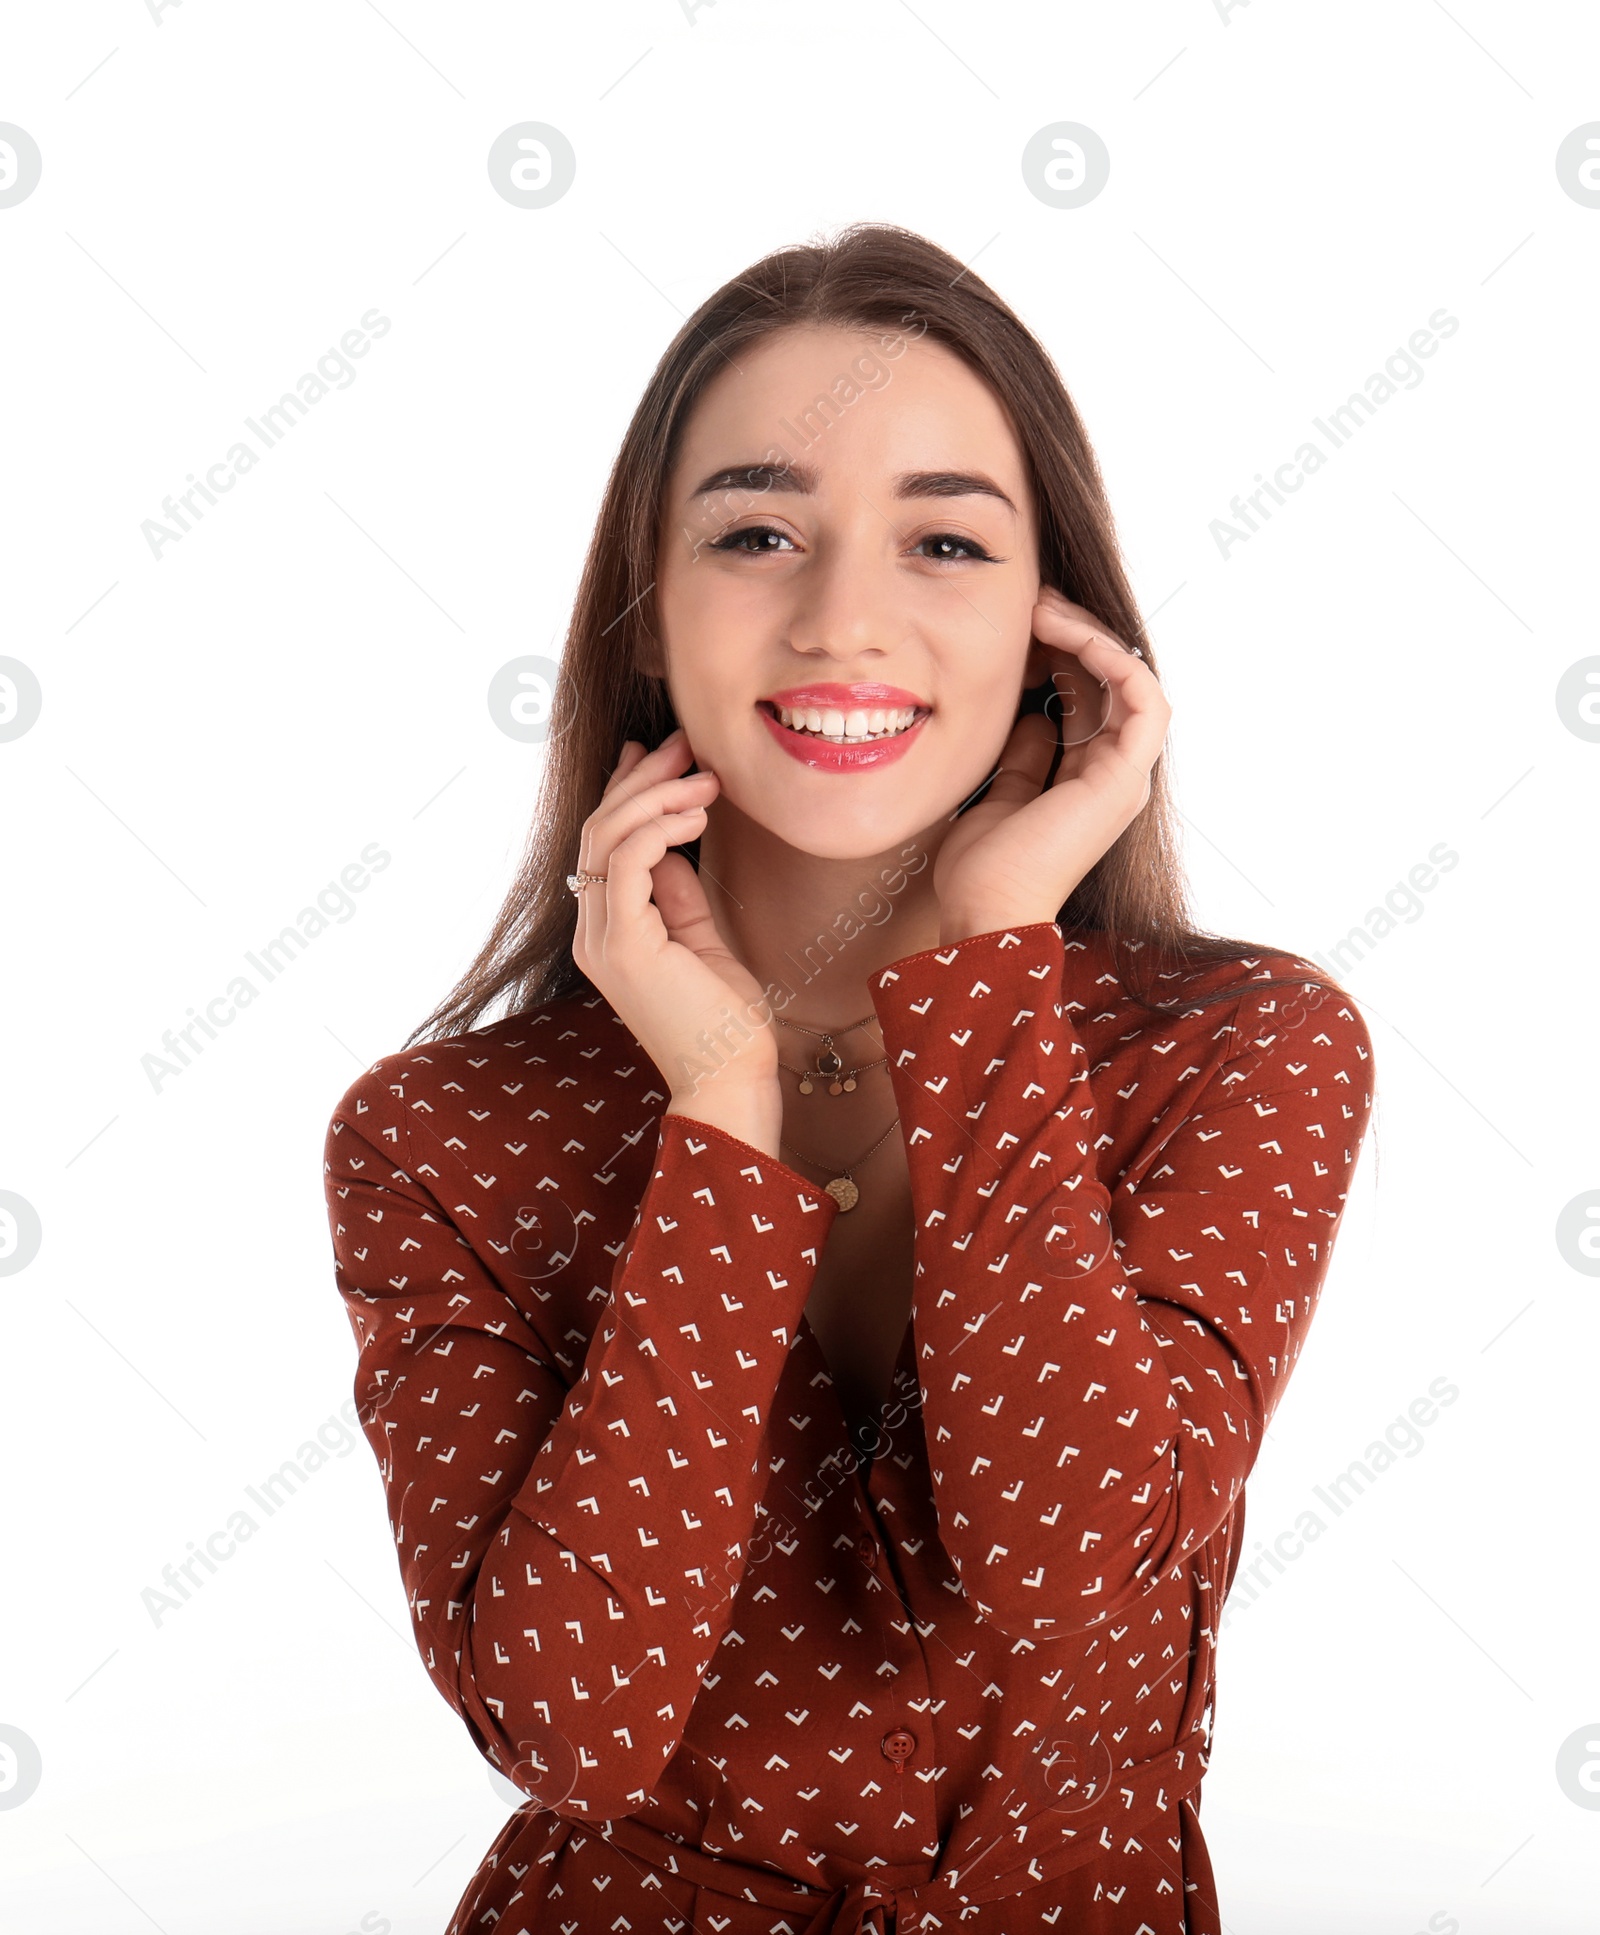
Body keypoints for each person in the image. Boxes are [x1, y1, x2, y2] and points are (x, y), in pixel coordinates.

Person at [322, 224, 1376, 1933]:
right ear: (648, 618)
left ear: (1059, 628)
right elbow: (569, 1734)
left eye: (945, 540)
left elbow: (1076, 1586)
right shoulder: (437, 1136)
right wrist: (720, 1122)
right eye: (755, 533)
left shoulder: (1240, 1048)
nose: (843, 618)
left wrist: (985, 965)